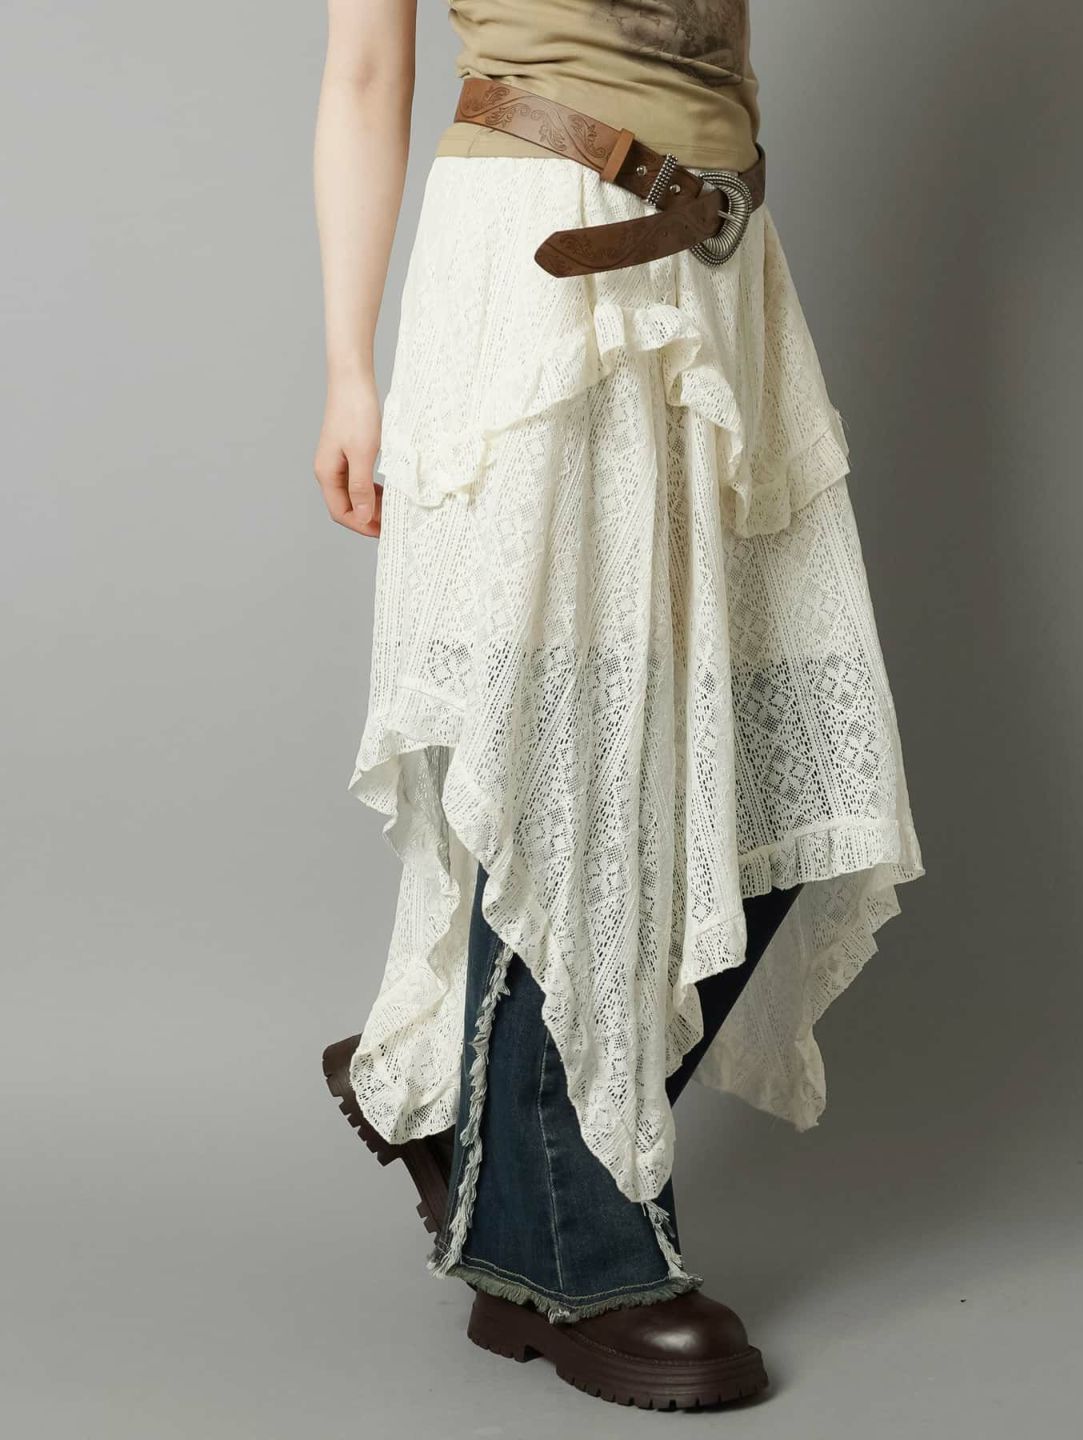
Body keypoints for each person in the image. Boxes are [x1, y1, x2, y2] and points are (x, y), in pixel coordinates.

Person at [313, 0, 923, 1412]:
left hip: (722, 258)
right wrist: (349, 371)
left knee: (788, 769)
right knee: (570, 754)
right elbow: (364, 66)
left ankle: (459, 1100)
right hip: (544, 250)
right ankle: (566, 1247)